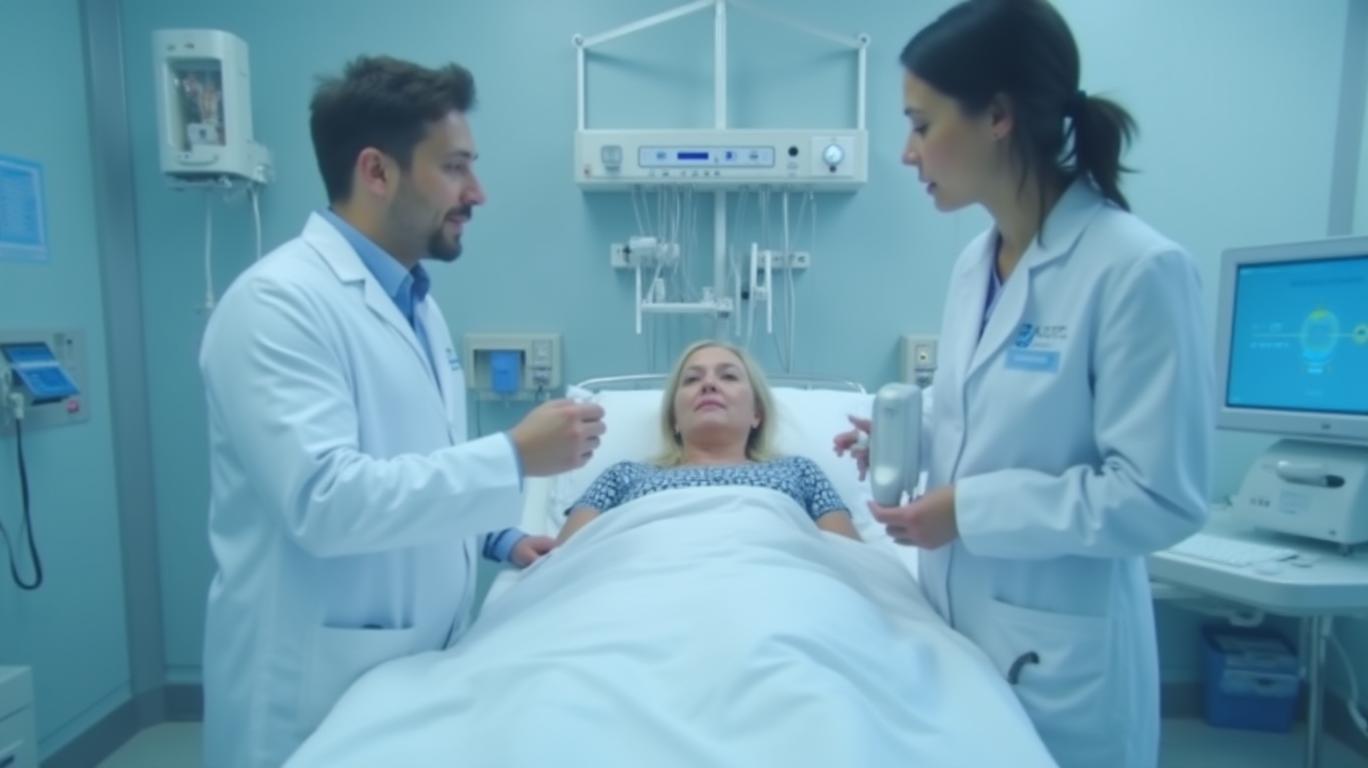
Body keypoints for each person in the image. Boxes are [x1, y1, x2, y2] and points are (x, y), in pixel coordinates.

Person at [198, 56, 605, 767]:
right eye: (454, 167)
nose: (477, 192)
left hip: (412, 668)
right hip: (313, 683)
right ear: (377, 172)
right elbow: (324, 500)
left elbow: (412, 463)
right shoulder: (277, 306)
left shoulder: (415, 303)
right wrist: (513, 456)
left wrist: (499, 538)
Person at [834, 2, 1213, 766]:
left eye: (921, 124)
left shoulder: (1136, 269)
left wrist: (967, 511)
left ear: (999, 115)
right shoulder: (975, 263)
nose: (907, 153)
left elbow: (1159, 497)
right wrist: (917, 439)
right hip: (956, 629)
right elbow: (995, 420)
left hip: (1059, 662)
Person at [560, 341, 859, 543]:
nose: (709, 384)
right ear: (674, 419)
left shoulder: (800, 472)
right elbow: (563, 561)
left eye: (728, 376)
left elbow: (850, 561)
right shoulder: (623, 476)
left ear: (756, 414)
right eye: (692, 379)